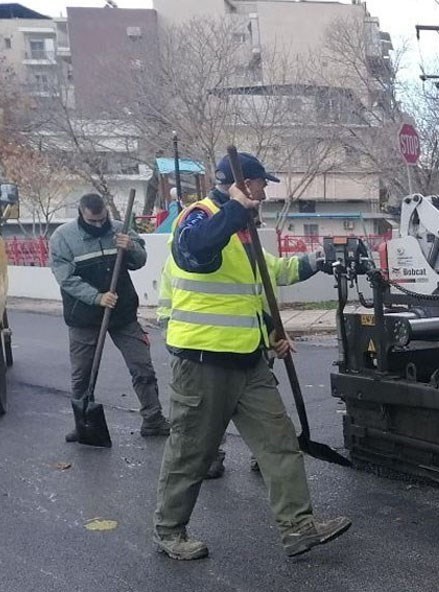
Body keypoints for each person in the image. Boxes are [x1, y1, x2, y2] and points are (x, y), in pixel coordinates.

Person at [153, 151, 349, 561]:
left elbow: (268, 275)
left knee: (279, 443)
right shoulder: (199, 215)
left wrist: (318, 262)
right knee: (192, 451)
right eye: (260, 183)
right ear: (241, 184)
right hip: (202, 361)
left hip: (248, 362)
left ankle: (298, 527)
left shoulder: (244, 230)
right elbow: (195, 251)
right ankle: (170, 531)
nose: (264, 191)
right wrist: (233, 213)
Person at [156, 223, 318, 480]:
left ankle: (275, 478)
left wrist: (317, 259)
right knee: (203, 428)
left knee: (271, 429)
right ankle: (210, 456)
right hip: (204, 356)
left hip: (249, 351)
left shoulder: (246, 249)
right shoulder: (189, 256)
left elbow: (276, 274)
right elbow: (172, 313)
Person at [50, 193, 170, 441]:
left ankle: (153, 419)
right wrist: (97, 297)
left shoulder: (119, 229)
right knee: (82, 375)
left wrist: (131, 248)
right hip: (83, 317)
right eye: (92, 221)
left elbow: (140, 261)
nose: (98, 225)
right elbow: (66, 278)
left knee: (142, 366)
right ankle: (83, 424)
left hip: (123, 314)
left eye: (102, 219)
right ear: (82, 213)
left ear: (106, 212)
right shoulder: (63, 238)